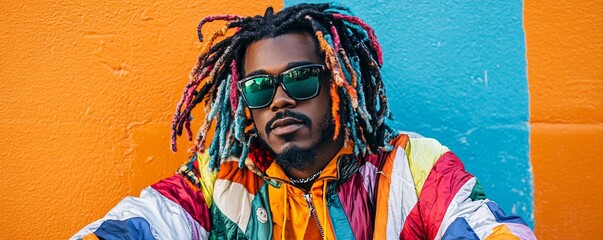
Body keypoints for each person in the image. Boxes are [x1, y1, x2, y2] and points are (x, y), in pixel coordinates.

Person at [72, 3, 536, 240]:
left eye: (299, 80)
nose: (278, 99)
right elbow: (143, 223)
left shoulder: (411, 168)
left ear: (336, 83)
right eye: (258, 87)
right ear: (244, 104)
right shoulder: (222, 183)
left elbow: (482, 227)